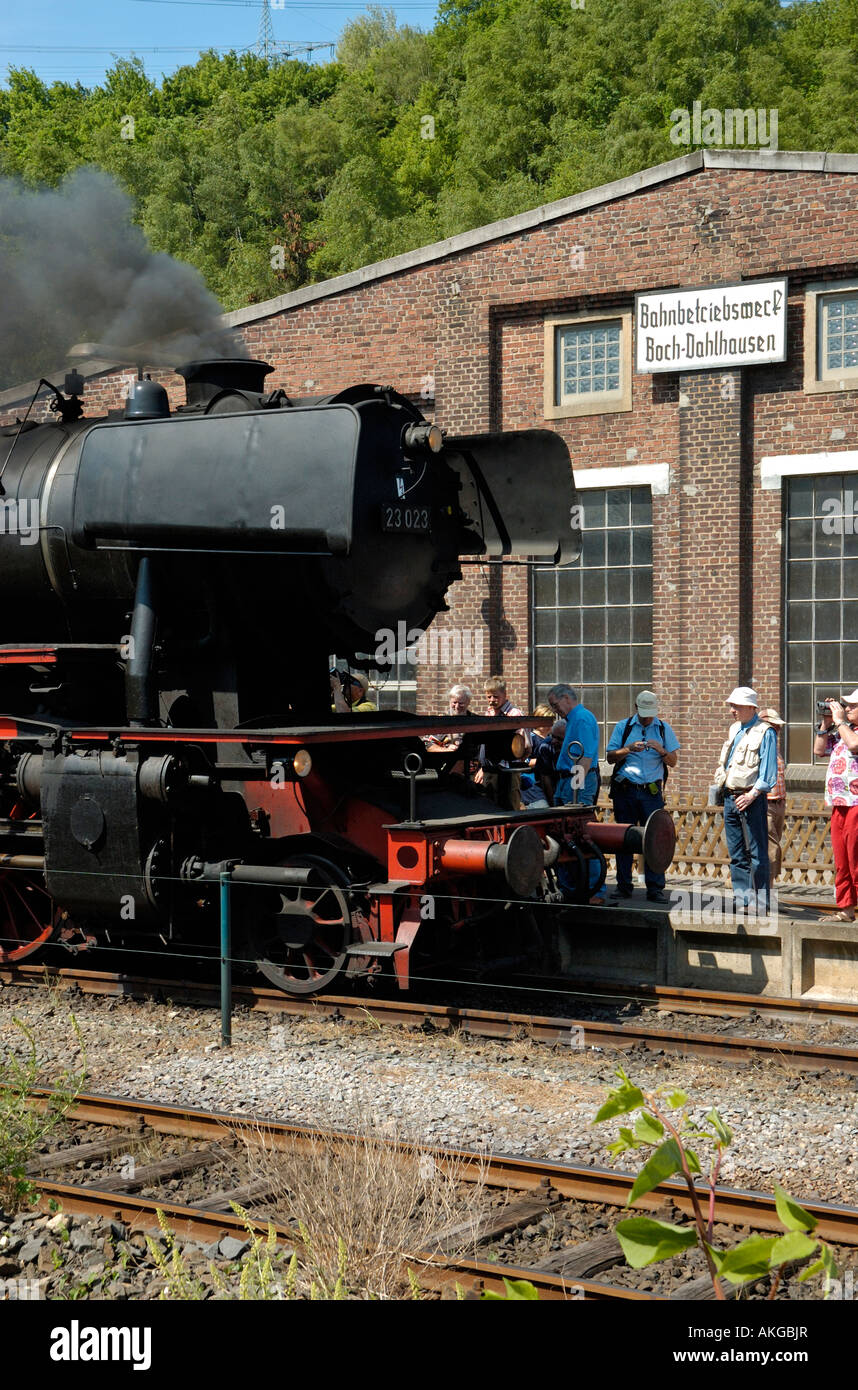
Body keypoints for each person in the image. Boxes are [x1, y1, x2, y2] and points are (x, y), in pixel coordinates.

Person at [606, 690, 680, 903]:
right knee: (624, 838)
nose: (647, 718)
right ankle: (623, 885)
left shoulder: (664, 729)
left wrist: (661, 751)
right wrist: (628, 749)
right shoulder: (624, 726)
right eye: (644, 713)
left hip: (651, 792)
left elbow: (673, 762)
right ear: (636, 708)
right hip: (626, 789)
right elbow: (610, 757)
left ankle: (655, 888)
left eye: (651, 714)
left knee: (654, 839)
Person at [712, 687, 777, 911]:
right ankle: (742, 900)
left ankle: (760, 902)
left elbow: (768, 774)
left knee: (758, 853)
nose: (732, 710)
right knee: (737, 853)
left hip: (752, 798)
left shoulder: (766, 732)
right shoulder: (734, 729)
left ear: (751, 707)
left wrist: (751, 796)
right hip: (730, 798)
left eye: (736, 706)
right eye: (731, 706)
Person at [547, 683, 603, 903]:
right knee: (566, 835)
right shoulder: (574, 719)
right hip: (568, 780)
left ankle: (593, 890)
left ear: (567, 698)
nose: (554, 710)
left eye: (555, 704)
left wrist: (576, 789)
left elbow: (585, 756)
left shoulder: (581, 719)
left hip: (576, 780)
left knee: (581, 834)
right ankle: (572, 887)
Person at [814, 690, 858, 923]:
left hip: (857, 805)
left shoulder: (849, 733)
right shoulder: (843, 732)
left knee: (856, 859)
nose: (847, 708)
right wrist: (827, 722)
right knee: (842, 861)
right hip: (840, 804)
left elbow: (854, 745)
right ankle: (846, 909)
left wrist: (840, 721)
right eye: (846, 705)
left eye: (852, 706)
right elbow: (819, 750)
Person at [477, 675, 529, 809]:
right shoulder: (488, 714)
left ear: (505, 694)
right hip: (489, 769)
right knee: (490, 807)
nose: (492, 700)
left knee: (509, 807)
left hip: (508, 771)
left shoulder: (514, 714)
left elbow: (525, 745)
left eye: (495, 696)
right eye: (489, 697)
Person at [760, 707, 786, 892]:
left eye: (778, 728)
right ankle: (765, 892)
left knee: (774, 847)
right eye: (774, 727)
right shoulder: (759, 746)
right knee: (771, 849)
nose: (777, 731)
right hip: (766, 803)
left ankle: (768, 889)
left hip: (778, 803)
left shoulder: (774, 748)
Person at [424, 684, 472, 753]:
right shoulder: (442, 720)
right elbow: (428, 745)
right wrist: (446, 750)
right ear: (450, 701)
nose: (457, 707)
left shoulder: (475, 720)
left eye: (461, 703)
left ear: (468, 702)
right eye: (454, 702)